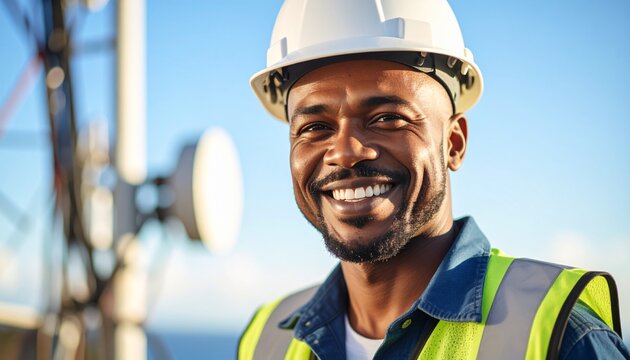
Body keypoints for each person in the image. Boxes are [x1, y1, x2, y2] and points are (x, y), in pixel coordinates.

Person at [238, 0, 628, 359]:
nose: (345, 151)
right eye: (315, 127)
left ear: (454, 143)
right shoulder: (264, 340)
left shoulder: (563, 337)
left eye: (388, 118)